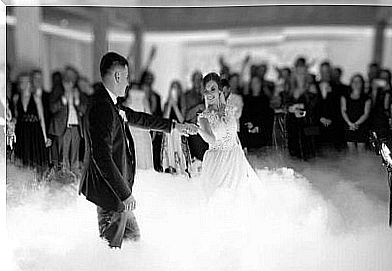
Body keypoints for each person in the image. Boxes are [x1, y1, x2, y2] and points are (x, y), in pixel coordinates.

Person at [79, 52, 197, 249]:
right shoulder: (102, 107)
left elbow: (139, 118)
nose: (128, 82)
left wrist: (176, 127)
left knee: (132, 243)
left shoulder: (111, 103)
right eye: (126, 77)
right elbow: (102, 158)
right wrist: (125, 194)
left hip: (117, 194)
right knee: (112, 251)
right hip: (111, 194)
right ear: (117, 76)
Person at [196, 72, 260, 199]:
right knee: (220, 199)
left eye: (212, 89)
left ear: (220, 90)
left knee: (241, 198)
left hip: (235, 158)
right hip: (218, 162)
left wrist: (243, 154)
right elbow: (211, 139)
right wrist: (198, 129)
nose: (209, 94)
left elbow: (234, 135)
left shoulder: (230, 110)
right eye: (206, 90)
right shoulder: (203, 116)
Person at [340, 74, 371, 153]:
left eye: (358, 81)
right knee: (351, 149)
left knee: (361, 149)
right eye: (354, 81)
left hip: (362, 125)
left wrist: (356, 124)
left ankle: (361, 165)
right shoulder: (345, 96)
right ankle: (352, 164)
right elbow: (343, 110)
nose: (356, 84)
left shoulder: (367, 98)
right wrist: (350, 123)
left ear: (362, 83)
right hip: (349, 124)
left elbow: (366, 113)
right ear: (351, 83)